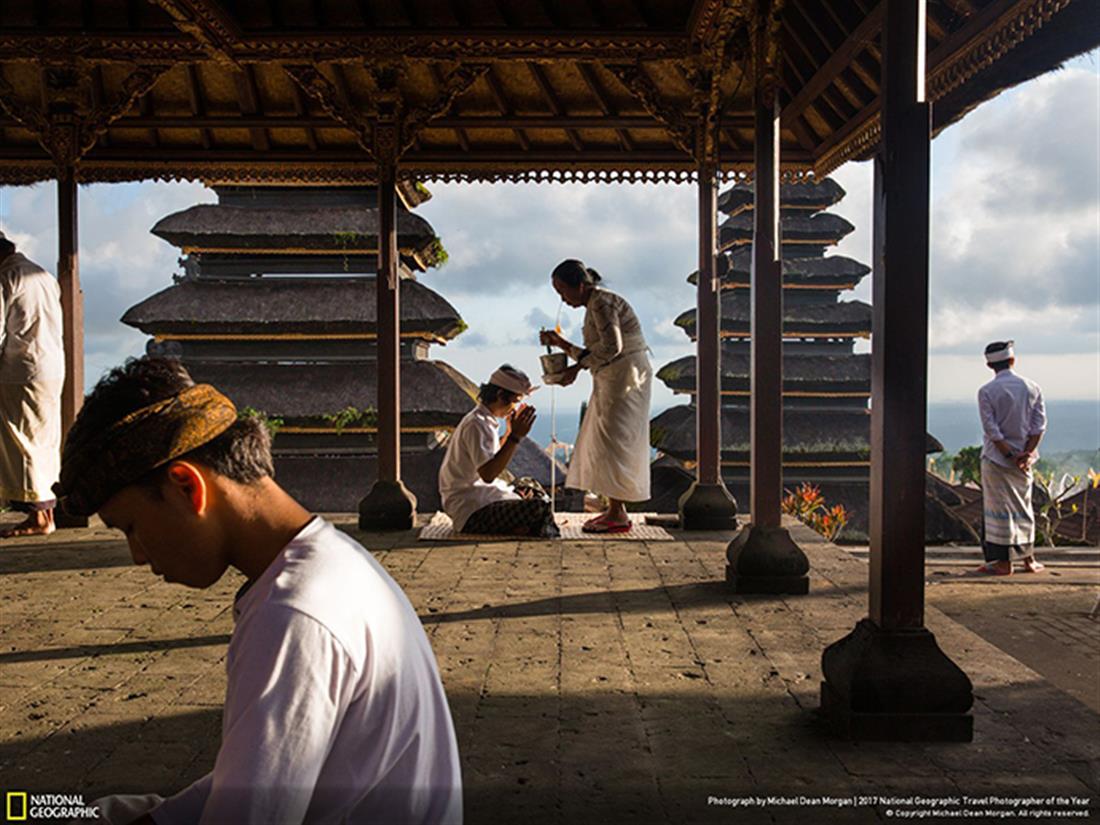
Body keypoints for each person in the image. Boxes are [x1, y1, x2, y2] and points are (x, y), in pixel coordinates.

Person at [53, 357, 462, 825]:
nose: (137, 556)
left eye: (130, 526)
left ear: (187, 486)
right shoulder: (333, 563)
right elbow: (256, 778)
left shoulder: (293, 615)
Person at [539, 259, 651, 533]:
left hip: (625, 377)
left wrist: (568, 355)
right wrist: (567, 353)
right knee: (607, 438)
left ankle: (617, 513)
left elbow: (613, 347)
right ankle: (614, 509)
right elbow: (602, 350)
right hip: (615, 376)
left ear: (580, 285)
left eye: (563, 291)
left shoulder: (601, 303)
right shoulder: (595, 304)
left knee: (614, 439)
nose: (563, 300)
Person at [439, 365, 558, 537]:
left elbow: (491, 458)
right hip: (472, 510)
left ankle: (521, 526)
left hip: (485, 498)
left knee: (529, 484)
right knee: (539, 506)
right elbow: (488, 474)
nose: (515, 408)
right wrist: (515, 437)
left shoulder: (484, 421)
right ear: (501, 395)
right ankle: (525, 526)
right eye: (515, 401)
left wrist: (509, 432)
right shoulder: (476, 424)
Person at [0, 230, 64, 538]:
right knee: (43, 439)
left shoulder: (7, 277)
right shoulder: (42, 275)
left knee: (21, 440)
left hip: (20, 369)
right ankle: (45, 512)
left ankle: (39, 516)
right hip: (51, 365)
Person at [976, 340, 1047, 575]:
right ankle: (1029, 560)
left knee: (998, 510)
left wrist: (1009, 454)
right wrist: (1025, 455)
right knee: (1023, 507)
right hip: (1024, 461)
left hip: (997, 459)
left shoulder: (986, 391)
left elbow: (991, 430)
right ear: (1012, 360)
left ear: (989, 365)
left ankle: (1002, 562)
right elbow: (1039, 427)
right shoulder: (1032, 387)